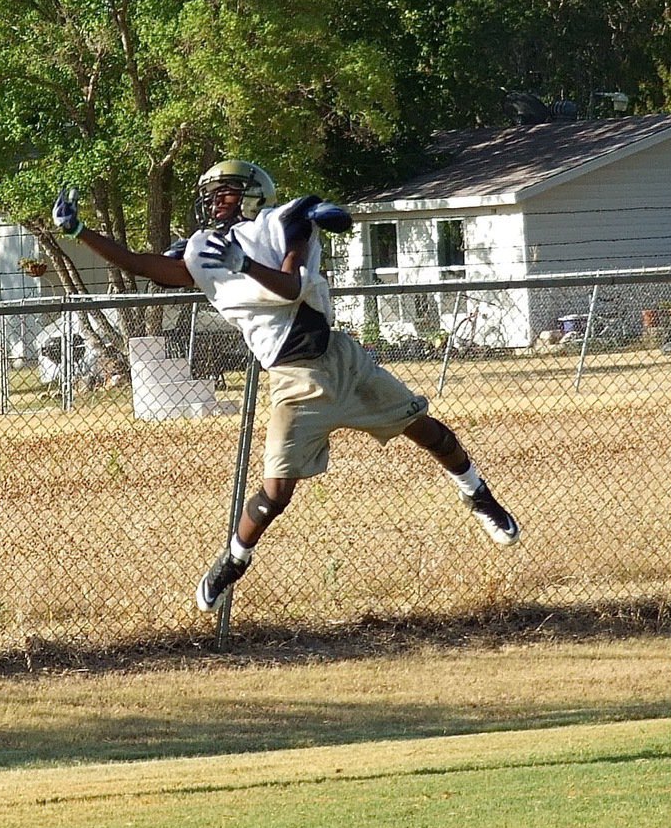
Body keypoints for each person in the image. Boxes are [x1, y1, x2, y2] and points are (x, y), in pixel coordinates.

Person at [52, 160, 520, 614]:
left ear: (254, 193)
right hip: (292, 379)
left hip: (341, 359)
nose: (215, 202)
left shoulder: (284, 223)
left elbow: (291, 288)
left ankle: (479, 496)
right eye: (210, 194)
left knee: (425, 428)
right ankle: (233, 560)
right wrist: (80, 233)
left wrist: (259, 256)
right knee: (276, 493)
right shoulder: (203, 248)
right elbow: (142, 265)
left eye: (225, 192)